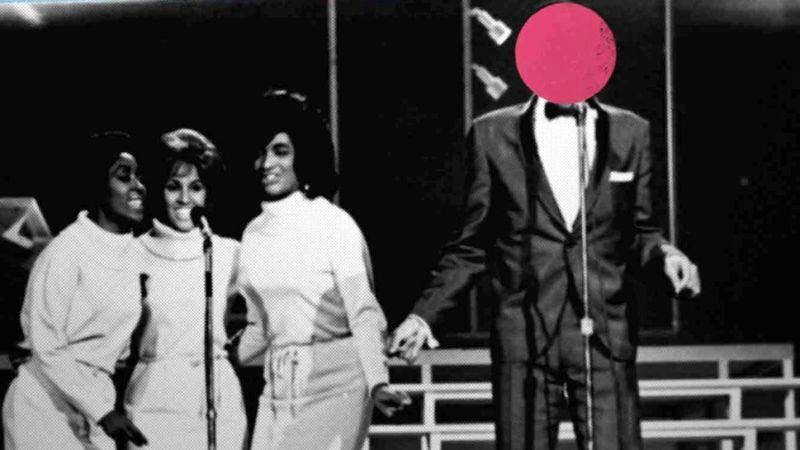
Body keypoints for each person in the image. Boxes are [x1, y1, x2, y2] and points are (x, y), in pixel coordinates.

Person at [388, 94, 702, 449]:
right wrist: (424, 316)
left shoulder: (629, 130)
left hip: (604, 333)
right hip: (524, 335)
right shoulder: (492, 132)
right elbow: (472, 245)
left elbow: (641, 232)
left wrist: (666, 257)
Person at [234, 90, 410, 449]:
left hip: (338, 385)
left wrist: (378, 382)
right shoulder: (252, 234)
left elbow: (363, 313)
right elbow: (259, 329)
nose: (267, 163)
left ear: (304, 154)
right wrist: (211, 358)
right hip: (277, 387)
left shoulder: (333, 223)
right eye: (261, 152)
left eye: (281, 151)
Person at [2, 131, 149, 449]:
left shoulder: (135, 255)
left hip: (98, 406)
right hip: (43, 405)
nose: (138, 186)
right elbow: (46, 346)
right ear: (98, 185)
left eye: (140, 177)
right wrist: (102, 411)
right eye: (124, 176)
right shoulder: (65, 251)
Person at [123, 128, 247, 448]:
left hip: (219, 406)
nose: (184, 199)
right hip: (153, 405)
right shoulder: (132, 254)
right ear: (157, 189)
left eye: (196, 187)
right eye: (173, 186)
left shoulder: (229, 253)